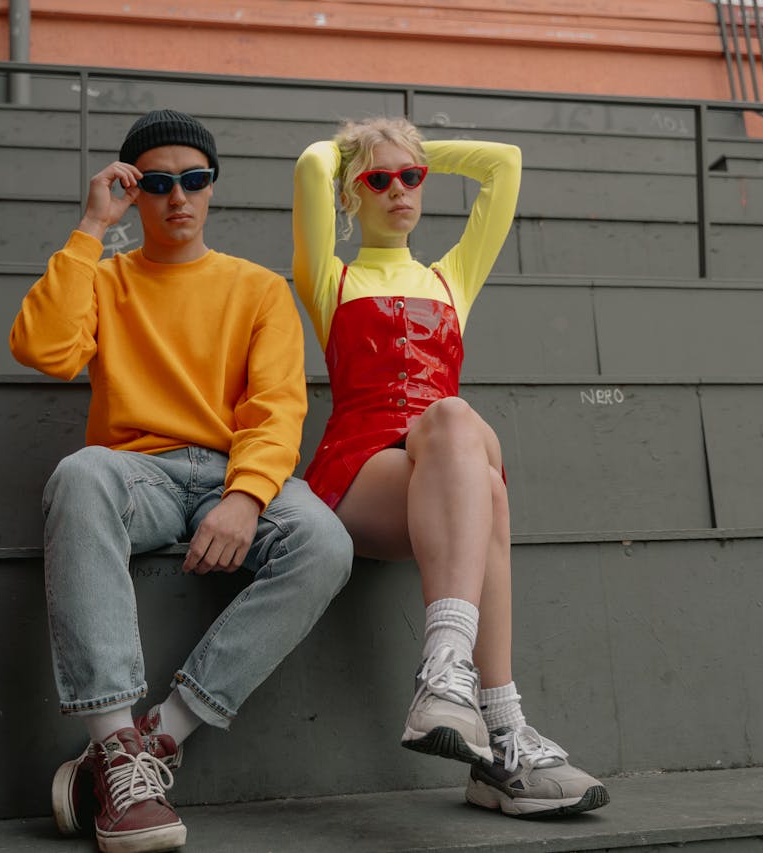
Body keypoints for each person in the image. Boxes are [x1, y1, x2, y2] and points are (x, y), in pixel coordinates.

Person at [12, 109, 353, 853]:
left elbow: (276, 409)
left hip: (235, 470)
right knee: (79, 475)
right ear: (134, 191)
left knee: (325, 540)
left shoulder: (259, 289)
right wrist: (90, 227)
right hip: (143, 475)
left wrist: (243, 496)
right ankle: (110, 738)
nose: (178, 196)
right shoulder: (103, 278)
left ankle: (154, 739)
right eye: (157, 182)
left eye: (193, 179)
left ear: (211, 186)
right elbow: (41, 348)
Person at [292, 117, 608, 818]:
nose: (400, 188)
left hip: (449, 478)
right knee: (461, 432)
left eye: (413, 176)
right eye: (379, 179)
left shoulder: (450, 277)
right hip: (359, 472)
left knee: (468, 445)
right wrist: (359, 147)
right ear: (353, 194)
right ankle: (491, 716)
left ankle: (470, 704)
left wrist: (411, 147)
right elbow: (313, 164)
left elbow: (506, 163)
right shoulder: (329, 279)